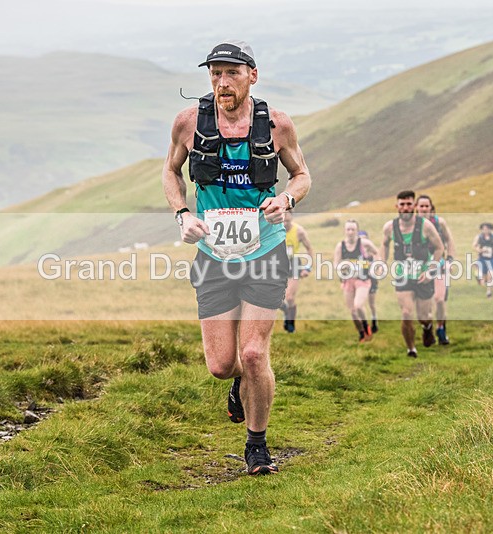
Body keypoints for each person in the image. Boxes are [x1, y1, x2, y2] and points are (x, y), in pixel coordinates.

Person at [162, 40, 311, 475]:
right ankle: (240, 386)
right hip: (213, 254)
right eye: (215, 74)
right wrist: (182, 213)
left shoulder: (278, 125)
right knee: (221, 365)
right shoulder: (188, 123)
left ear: (252, 75)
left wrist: (286, 199)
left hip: (264, 249)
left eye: (231, 73)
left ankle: (257, 445)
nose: (222, 82)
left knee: (252, 353)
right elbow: (171, 171)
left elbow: (301, 175)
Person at [382, 191, 444, 358]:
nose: (405, 207)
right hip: (403, 276)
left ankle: (427, 327)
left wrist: (431, 271)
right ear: (397, 206)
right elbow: (384, 244)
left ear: (414, 206)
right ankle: (411, 349)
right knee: (406, 313)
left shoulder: (425, 226)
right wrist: (381, 262)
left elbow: (439, 248)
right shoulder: (389, 227)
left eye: (409, 204)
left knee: (424, 316)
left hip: (423, 276)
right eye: (402, 204)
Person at [416, 194, 456, 345]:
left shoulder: (440, 223)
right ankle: (428, 328)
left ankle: (441, 328)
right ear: (416, 208)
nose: (424, 209)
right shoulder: (412, 225)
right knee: (424, 305)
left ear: (431, 207)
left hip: (439, 265)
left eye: (427, 206)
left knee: (439, 299)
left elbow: (449, 240)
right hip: (420, 267)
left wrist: (450, 260)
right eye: (421, 206)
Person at [335, 220, 378, 342]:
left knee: (358, 306)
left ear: (357, 231)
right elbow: (335, 263)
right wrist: (341, 269)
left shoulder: (364, 243)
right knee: (353, 312)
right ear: (345, 231)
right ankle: (361, 334)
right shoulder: (340, 246)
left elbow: (376, 253)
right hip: (348, 281)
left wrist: (375, 266)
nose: (350, 232)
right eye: (348, 229)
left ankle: (366, 326)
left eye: (353, 229)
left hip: (363, 280)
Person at [281, 211, 314, 333]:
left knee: (289, 297)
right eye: (283, 220)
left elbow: (309, 248)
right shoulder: (275, 229)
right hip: (277, 264)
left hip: (294, 263)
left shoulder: (299, 231)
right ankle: (285, 310)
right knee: (275, 298)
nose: (285, 223)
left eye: (287, 221)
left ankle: (290, 324)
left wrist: (307, 267)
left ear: (292, 218)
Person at [358, 230, 381, 333]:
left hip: (372, 279)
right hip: (360, 280)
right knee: (359, 303)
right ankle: (364, 324)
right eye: (360, 238)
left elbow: (377, 263)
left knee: (371, 303)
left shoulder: (372, 253)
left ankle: (374, 321)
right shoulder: (356, 253)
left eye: (364, 237)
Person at [473, 222, 493, 298]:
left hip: (491, 258)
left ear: (490, 229)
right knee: (484, 276)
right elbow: (474, 246)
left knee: (490, 274)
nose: (485, 230)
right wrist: (480, 250)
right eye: (484, 229)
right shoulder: (479, 237)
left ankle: (489, 291)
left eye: (487, 229)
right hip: (482, 258)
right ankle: (483, 280)